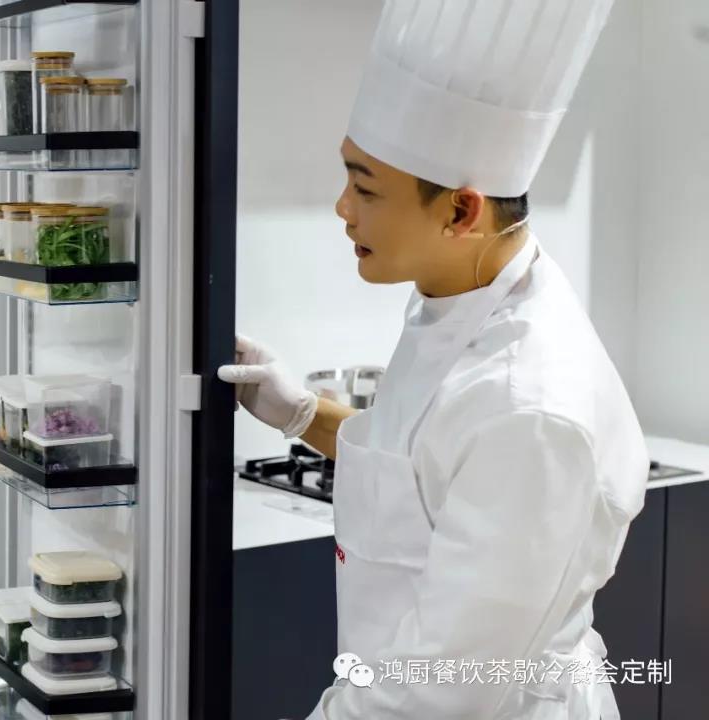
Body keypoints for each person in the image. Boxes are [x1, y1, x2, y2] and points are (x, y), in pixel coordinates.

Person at [218, 1, 648, 718]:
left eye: (365, 188)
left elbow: (441, 687)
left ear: (460, 212)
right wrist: (303, 414)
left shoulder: (531, 408)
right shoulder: (458, 297)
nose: (342, 208)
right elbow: (424, 470)